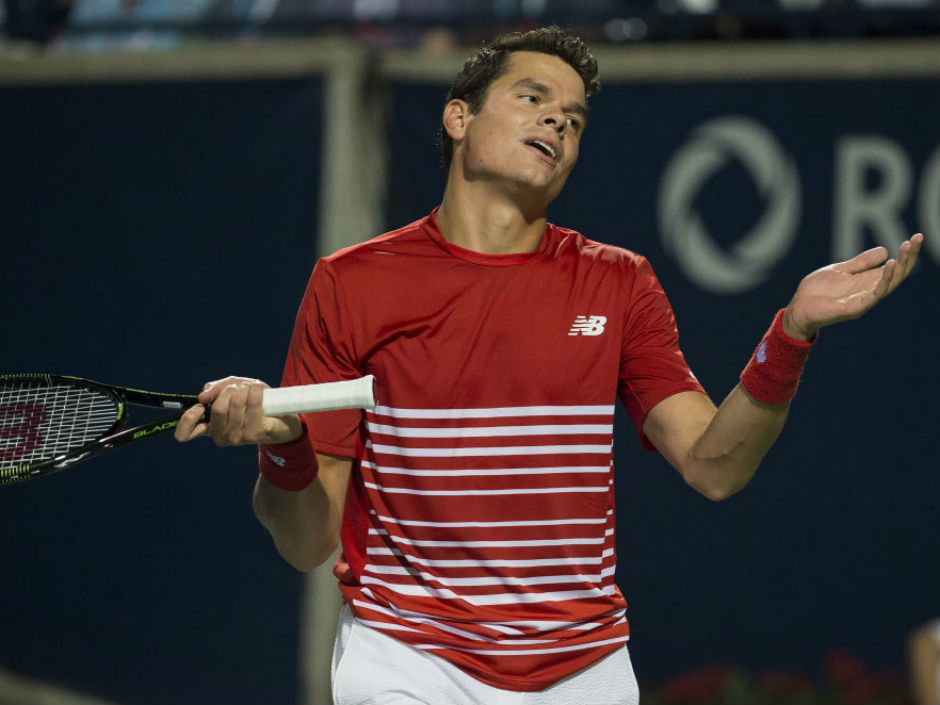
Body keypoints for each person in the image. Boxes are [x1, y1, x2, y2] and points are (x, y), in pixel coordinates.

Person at [174, 27, 923, 705]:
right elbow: (307, 541)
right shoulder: (351, 282)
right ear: (458, 117)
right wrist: (283, 446)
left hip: (585, 670)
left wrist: (790, 334)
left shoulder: (619, 282)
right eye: (532, 98)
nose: (558, 121)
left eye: (573, 117)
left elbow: (713, 465)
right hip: (407, 658)